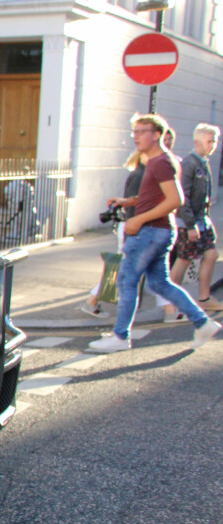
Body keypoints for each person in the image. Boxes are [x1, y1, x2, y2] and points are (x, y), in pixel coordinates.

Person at [88, 113, 221, 352]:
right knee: (161, 284)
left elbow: (176, 199)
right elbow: (158, 196)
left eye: (142, 131)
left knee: (127, 281)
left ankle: (120, 337)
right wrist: (129, 201)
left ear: (157, 134)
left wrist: (139, 219)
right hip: (158, 231)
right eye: (134, 132)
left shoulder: (160, 163)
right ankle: (202, 323)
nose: (136, 137)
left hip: (149, 233)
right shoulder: (160, 161)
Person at [78, 146, 175, 319]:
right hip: (136, 228)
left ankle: (170, 310)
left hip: (137, 227)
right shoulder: (141, 176)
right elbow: (139, 206)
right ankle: (169, 310)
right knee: (128, 269)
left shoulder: (143, 174)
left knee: (142, 269)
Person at [167, 123, 221, 314]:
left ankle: (204, 298)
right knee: (184, 259)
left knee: (211, 255)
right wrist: (190, 225)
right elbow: (184, 198)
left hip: (201, 220)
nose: (213, 144)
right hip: (188, 223)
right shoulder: (189, 164)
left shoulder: (203, 162)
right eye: (210, 141)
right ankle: (170, 303)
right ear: (197, 141)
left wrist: (204, 220)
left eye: (215, 141)